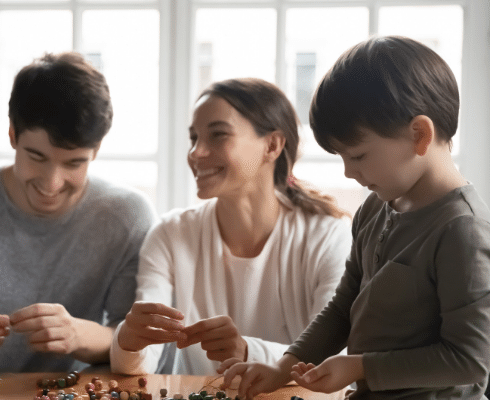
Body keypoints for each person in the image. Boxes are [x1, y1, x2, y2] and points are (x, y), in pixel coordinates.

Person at [218, 36, 490, 399]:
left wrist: (360, 366)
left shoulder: (462, 230)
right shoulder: (376, 206)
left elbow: (470, 359)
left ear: (420, 135)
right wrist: (284, 367)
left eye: (358, 156)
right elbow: (344, 304)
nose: (348, 173)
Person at [0, 51, 156, 375]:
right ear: (12, 135)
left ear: (97, 150)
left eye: (74, 163)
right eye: (37, 156)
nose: (52, 183)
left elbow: (137, 346)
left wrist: (79, 334)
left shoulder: (127, 218)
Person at [110, 78, 351, 376]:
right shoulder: (170, 234)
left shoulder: (328, 235)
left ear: (272, 145)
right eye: (194, 138)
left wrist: (247, 351)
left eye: (218, 135)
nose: (196, 153)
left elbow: (333, 360)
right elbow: (142, 360)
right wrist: (128, 342)